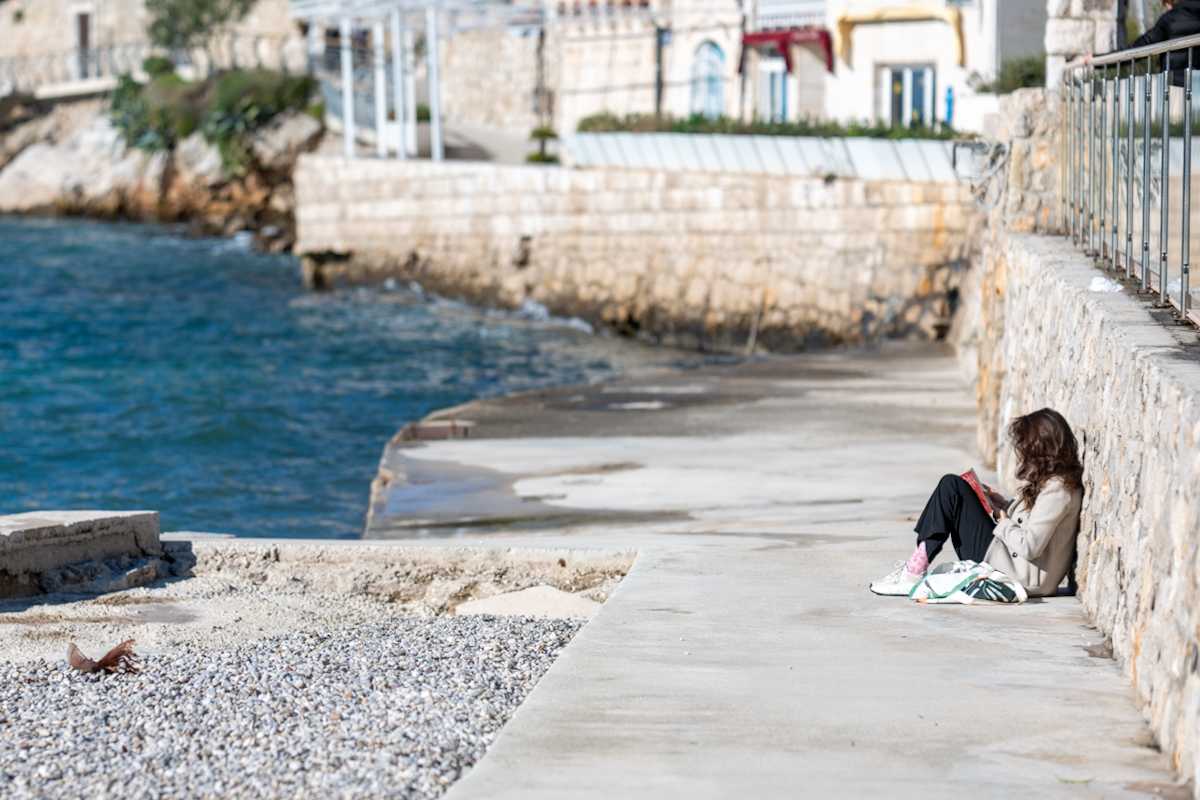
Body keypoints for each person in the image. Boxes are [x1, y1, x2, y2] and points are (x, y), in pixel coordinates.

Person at [870, 408, 1085, 599]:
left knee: (952, 487)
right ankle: (914, 567)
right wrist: (1003, 505)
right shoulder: (1056, 483)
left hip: (1019, 575)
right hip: (1011, 562)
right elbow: (1032, 522)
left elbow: (1029, 546)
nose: (1024, 454)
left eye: (1027, 449)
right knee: (954, 487)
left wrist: (1003, 520)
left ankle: (913, 572)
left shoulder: (1058, 491)